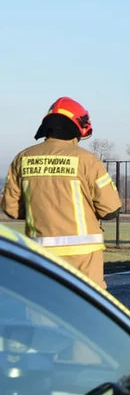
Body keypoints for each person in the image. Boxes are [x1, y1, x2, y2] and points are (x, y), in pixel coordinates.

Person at [2, 97, 121, 289]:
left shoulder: (23, 158)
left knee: (42, 309)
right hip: (83, 258)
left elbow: (11, 209)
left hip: (39, 255)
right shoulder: (88, 161)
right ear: (79, 129)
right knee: (86, 311)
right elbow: (110, 210)